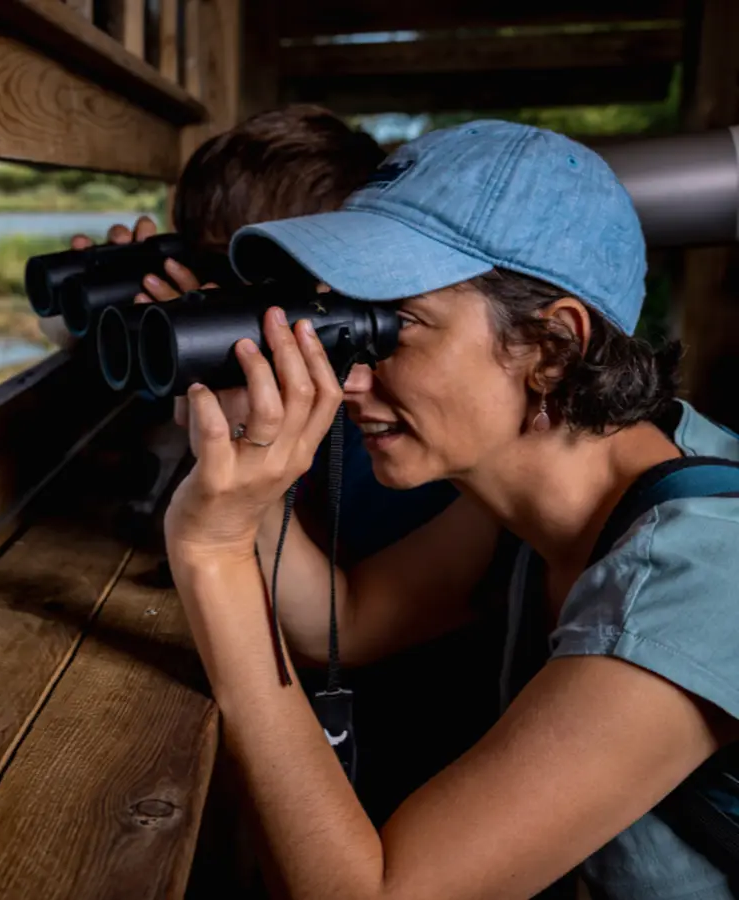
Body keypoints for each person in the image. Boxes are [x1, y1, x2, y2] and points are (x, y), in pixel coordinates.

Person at [162, 117, 739, 899]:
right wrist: (243, 458)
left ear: (552, 348)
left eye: (392, 328)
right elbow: (348, 616)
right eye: (345, 325)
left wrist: (213, 555)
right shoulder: (576, 477)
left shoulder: (698, 580)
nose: (349, 380)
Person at [39, 105, 499, 825]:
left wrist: (237, 484)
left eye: (242, 275)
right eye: (202, 265)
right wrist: (133, 338)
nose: (212, 300)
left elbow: (327, 628)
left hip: (402, 757)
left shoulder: (409, 428)